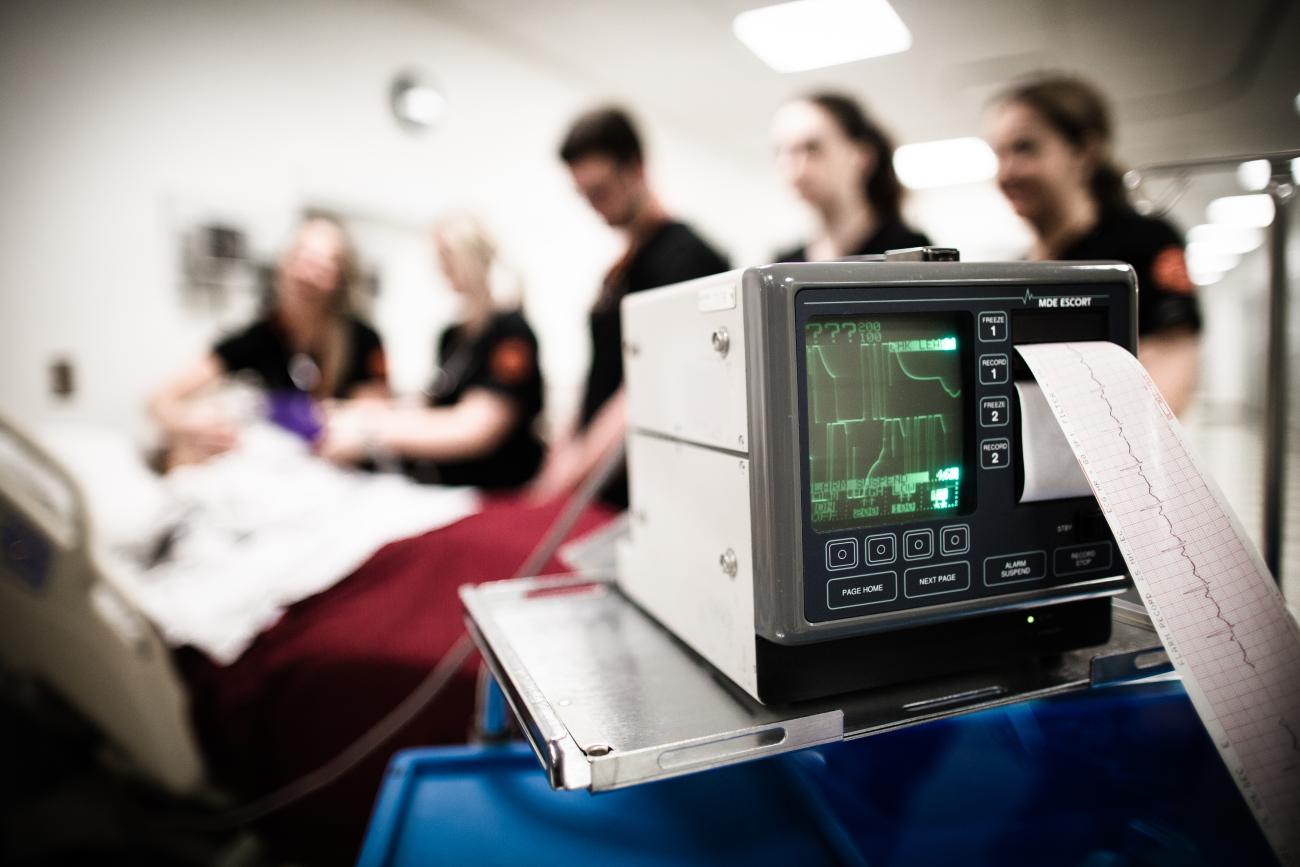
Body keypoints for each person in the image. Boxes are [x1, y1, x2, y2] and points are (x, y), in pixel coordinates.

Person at [529, 106, 729, 507]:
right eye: (582, 195)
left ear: (636, 168)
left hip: (641, 491)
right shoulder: (621, 268)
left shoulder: (689, 259)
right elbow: (600, 370)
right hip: (597, 482)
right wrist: (564, 447)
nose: (592, 207)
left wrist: (569, 476)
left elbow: (645, 386)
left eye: (599, 192)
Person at [988, 75, 1201, 414]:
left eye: (1025, 148)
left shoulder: (1144, 241)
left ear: (1084, 152)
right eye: (999, 153)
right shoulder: (1017, 270)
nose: (1006, 172)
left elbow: (1171, 368)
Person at [318, 213, 545, 489]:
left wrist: (374, 433)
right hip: (447, 481)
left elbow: (476, 429)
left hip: (496, 487)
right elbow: (432, 405)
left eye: (447, 257)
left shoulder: (510, 332)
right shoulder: (451, 336)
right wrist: (357, 413)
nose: (442, 268)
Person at [149, 214, 387, 466]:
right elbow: (159, 400)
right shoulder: (256, 338)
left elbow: (377, 412)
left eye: (325, 264)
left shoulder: (363, 339)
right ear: (284, 264)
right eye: (303, 257)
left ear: (340, 278)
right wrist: (191, 423)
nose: (310, 273)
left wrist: (342, 420)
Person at [772, 92, 930, 262]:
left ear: (861, 156)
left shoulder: (911, 251)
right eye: (782, 151)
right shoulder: (785, 264)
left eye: (812, 148)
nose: (793, 166)